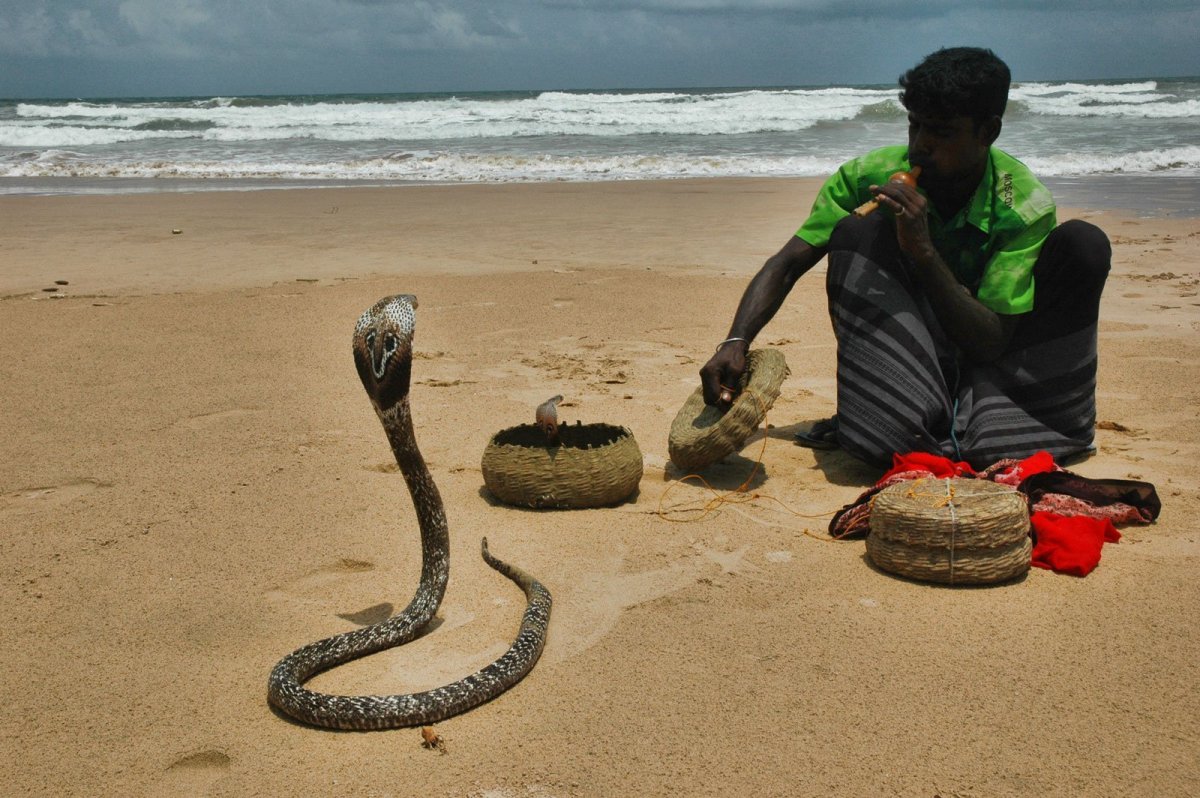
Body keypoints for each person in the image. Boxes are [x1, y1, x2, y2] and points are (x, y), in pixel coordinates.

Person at [699, 47, 1110, 470]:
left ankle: (1006, 419)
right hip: (913, 348)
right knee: (857, 231)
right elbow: (787, 263)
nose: (920, 147)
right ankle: (904, 407)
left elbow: (989, 342)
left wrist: (923, 250)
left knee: (1084, 244)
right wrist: (736, 341)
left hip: (994, 356)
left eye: (942, 132)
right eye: (915, 125)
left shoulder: (1020, 204)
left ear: (988, 132)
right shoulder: (866, 178)